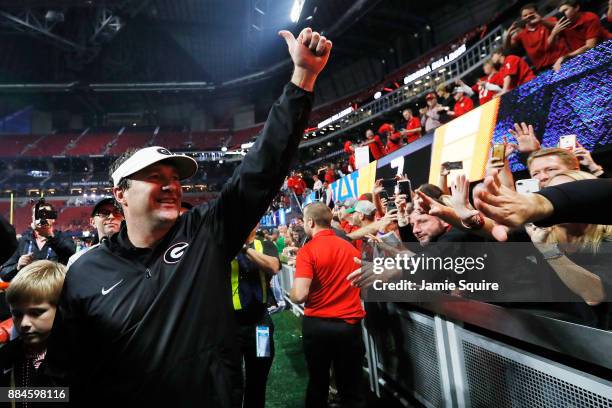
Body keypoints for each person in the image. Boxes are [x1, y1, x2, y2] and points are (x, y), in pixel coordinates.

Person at [44, 26, 332, 406]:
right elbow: (64, 371)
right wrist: (15, 395)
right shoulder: (85, 271)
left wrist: (303, 78)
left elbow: (261, 170)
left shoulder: (205, 234)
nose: (171, 186)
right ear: (121, 195)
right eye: (154, 178)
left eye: (175, 178)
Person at [290, 202, 365, 408]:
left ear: (310, 222)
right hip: (349, 326)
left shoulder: (308, 250)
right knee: (351, 385)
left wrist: (292, 291)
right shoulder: (350, 248)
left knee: (318, 382)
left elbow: (300, 294)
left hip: (318, 325)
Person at [232, 225, 281, 408]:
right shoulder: (221, 245)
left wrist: (244, 248)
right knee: (230, 380)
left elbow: (273, 266)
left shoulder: (265, 244)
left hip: (259, 324)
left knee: (258, 377)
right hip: (230, 326)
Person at [0, 260, 66, 389]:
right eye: (17, 314)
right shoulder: (6, 356)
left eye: (36, 313)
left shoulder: (79, 357)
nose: (24, 324)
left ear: (62, 309)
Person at [1, 201, 75, 282]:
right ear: (32, 218)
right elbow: (4, 274)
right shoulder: (23, 241)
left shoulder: (63, 238)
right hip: (27, 290)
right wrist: (17, 267)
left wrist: (49, 235)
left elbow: (72, 256)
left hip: (54, 290)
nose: (41, 217)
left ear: (53, 218)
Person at [548, 0, 611, 71]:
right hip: (585, 58)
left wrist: (565, 57)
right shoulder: (563, 24)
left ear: (576, 7)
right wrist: (554, 33)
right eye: (561, 12)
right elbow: (549, 46)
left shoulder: (589, 18)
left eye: (565, 10)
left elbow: (590, 46)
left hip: (606, 51)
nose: (563, 14)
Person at [505, 3, 568, 72]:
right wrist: (508, 35)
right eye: (525, 15)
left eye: (531, 13)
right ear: (522, 18)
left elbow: (558, 25)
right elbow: (508, 47)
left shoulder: (547, 21)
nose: (528, 16)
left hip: (561, 61)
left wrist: (541, 21)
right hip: (543, 69)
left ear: (536, 13)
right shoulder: (522, 34)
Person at [67, 197, 124, 268]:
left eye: (117, 212)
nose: (111, 216)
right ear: (92, 222)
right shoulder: (77, 260)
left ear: (124, 218)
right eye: (103, 213)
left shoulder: (137, 256)